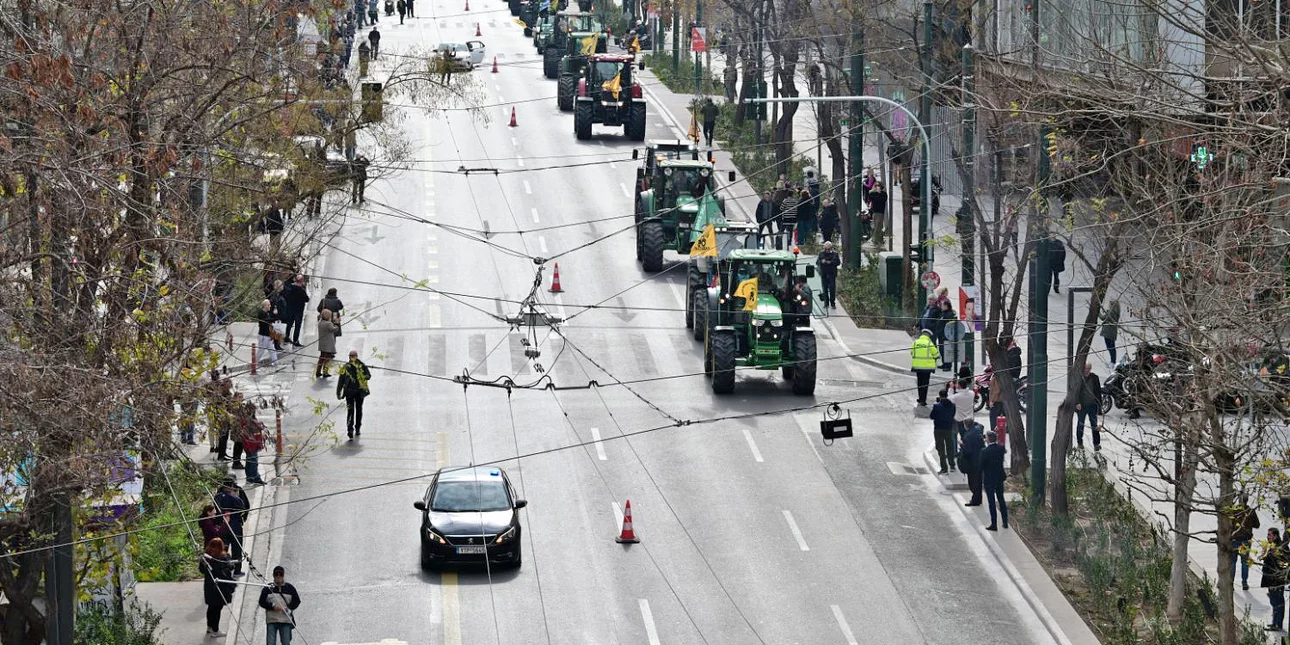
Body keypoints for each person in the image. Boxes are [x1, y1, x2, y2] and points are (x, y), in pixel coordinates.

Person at [200, 538, 237, 637]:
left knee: (212, 607)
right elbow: (227, 570)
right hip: (219, 587)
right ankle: (215, 630)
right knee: (216, 608)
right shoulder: (217, 559)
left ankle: (210, 627)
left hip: (210, 587)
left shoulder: (208, 558)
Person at [214, 477, 250, 576]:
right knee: (237, 549)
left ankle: (223, 569)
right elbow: (244, 506)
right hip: (235, 526)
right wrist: (243, 519)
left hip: (222, 526)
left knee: (223, 548)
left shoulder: (218, 495)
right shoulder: (236, 494)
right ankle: (237, 570)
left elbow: (216, 508)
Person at [260, 566, 302, 645]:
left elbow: (297, 601)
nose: (278, 576)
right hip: (272, 620)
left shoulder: (290, 588)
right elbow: (261, 601)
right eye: (276, 574)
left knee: (286, 642)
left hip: (285, 620)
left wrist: (288, 608)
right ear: (273, 575)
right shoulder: (268, 588)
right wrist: (272, 607)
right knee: (270, 643)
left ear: (283, 575)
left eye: (281, 574)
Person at [337, 350, 372, 439]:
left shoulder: (361, 365)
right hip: (349, 392)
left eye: (354, 356)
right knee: (350, 411)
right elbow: (341, 380)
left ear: (356, 356)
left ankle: (358, 427)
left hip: (360, 392)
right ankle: (350, 429)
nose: (352, 357)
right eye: (351, 356)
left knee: (359, 410)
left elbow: (368, 375)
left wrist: (362, 376)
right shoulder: (346, 367)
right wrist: (338, 392)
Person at [1231, 496, 1260, 591]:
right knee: (1244, 562)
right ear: (1247, 500)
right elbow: (1257, 525)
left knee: (1232, 562)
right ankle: (1244, 582)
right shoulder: (1250, 511)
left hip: (1234, 539)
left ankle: (1231, 582)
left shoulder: (1234, 511)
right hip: (1245, 540)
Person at [981, 430, 1008, 530]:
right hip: (999, 477)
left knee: (991, 502)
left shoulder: (985, 451)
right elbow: (1003, 450)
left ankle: (994, 523)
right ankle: (1005, 522)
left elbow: (981, 465)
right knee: (1001, 499)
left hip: (989, 479)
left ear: (988, 439)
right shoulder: (1001, 449)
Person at [1075, 362, 1103, 451]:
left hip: (1092, 405)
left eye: (1088, 369)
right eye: (1085, 369)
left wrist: (1100, 405)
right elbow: (1075, 392)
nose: (1087, 371)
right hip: (1082, 406)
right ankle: (1080, 442)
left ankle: (1096, 444)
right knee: (1080, 424)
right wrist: (1077, 403)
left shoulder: (1094, 378)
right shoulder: (1079, 378)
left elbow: (1098, 392)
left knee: (1094, 425)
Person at [910, 329, 940, 406]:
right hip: (927, 368)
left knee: (919, 383)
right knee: (925, 384)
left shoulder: (915, 342)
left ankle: (920, 398)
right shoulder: (929, 343)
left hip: (917, 367)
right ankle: (923, 400)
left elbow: (912, 353)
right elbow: (936, 354)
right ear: (928, 335)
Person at [1264, 527, 1287, 631]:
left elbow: (1280, 565)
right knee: (1274, 601)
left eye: (1270, 535)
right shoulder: (1273, 546)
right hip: (1272, 579)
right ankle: (1275, 622)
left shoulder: (1279, 548)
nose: (1268, 537)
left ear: (1275, 536)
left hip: (1276, 580)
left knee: (1277, 601)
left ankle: (1277, 624)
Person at [930, 389, 956, 474]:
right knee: (950, 447)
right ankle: (952, 465)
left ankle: (944, 468)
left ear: (940, 395)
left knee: (941, 448)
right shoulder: (952, 405)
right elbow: (952, 415)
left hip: (938, 429)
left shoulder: (937, 406)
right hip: (948, 428)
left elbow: (932, 416)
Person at [960, 421, 985, 505]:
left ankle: (975, 500)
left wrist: (962, 445)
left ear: (965, 425)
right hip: (980, 459)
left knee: (974, 483)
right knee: (978, 481)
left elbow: (968, 451)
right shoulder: (978, 430)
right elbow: (981, 425)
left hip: (972, 462)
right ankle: (978, 499)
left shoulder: (968, 436)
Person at [283, 274, 310, 347]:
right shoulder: (301, 290)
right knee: (297, 326)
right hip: (299, 310)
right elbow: (307, 299)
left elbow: (286, 296)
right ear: (301, 281)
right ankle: (295, 340)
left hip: (290, 309)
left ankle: (286, 337)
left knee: (289, 324)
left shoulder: (290, 288)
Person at [948, 378, 974, 447]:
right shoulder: (972, 393)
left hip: (959, 420)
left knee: (957, 435)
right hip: (970, 419)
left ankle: (960, 452)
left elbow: (949, 399)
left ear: (959, 386)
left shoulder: (957, 397)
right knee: (968, 437)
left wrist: (951, 388)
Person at [816, 241, 841, 309]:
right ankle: (826, 303)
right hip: (824, 274)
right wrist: (821, 261)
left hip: (832, 274)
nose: (827, 250)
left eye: (828, 249)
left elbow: (838, 262)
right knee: (824, 289)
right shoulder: (821, 253)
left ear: (831, 248)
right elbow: (817, 262)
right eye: (826, 249)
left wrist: (830, 262)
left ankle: (832, 303)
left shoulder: (835, 254)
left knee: (832, 289)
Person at [256, 299, 280, 367]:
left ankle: (276, 364)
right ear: (265, 305)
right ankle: (254, 364)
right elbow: (266, 321)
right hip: (263, 335)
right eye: (269, 305)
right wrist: (274, 318)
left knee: (272, 350)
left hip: (268, 335)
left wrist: (275, 315)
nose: (270, 306)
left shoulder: (267, 313)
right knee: (261, 351)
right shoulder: (261, 313)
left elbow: (270, 320)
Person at [317, 309, 339, 379]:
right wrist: (337, 325)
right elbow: (334, 329)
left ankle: (318, 371)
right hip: (328, 344)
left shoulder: (320, 322)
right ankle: (325, 372)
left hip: (322, 343)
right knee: (327, 358)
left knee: (321, 357)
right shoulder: (328, 324)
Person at [936, 299, 956, 370]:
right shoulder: (942, 313)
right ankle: (944, 363)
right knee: (942, 350)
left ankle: (948, 366)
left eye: (943, 305)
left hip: (946, 336)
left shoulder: (949, 314)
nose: (942, 307)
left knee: (946, 351)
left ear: (947, 306)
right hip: (941, 335)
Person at [1101, 299, 1120, 365]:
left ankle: (1113, 362)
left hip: (1108, 333)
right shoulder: (1117, 312)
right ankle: (1113, 361)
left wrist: (1097, 312)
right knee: (1112, 347)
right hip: (1112, 332)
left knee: (1110, 347)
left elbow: (1103, 318)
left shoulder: (1111, 312)